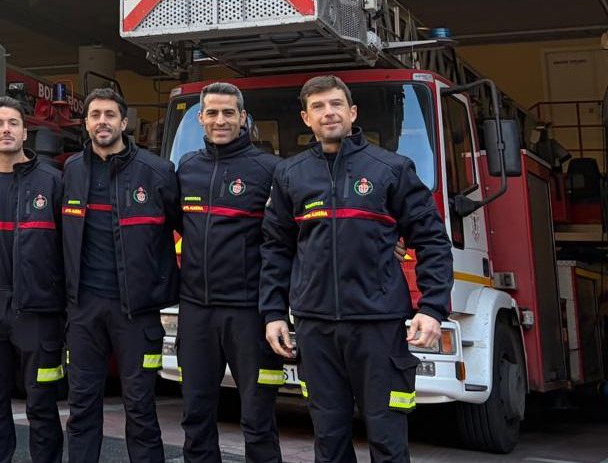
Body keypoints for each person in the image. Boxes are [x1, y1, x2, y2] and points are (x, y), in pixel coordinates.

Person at [262, 75, 453, 463]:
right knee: (328, 439)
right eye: (318, 107)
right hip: (315, 327)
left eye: (336, 104)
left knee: (387, 437)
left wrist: (432, 308)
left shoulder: (391, 169)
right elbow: (276, 249)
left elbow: (432, 240)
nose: (328, 113)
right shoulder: (290, 174)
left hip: (378, 325)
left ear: (352, 112)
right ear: (306, 118)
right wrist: (273, 313)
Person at [62, 87, 180, 463]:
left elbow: (187, 233)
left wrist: (164, 284)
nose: (102, 122)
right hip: (84, 311)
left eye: (110, 115)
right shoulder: (71, 171)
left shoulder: (157, 172)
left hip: (137, 314)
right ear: (85, 124)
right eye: (95, 115)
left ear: (124, 122)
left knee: (141, 409)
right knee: (81, 407)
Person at [175, 82, 284, 463]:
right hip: (196, 311)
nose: (220, 120)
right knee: (196, 415)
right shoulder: (187, 168)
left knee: (257, 418)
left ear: (243, 118)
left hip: (248, 313)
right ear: (201, 118)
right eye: (212, 113)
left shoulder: (270, 170)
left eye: (228, 113)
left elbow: (293, 233)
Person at [0, 97, 64, 463]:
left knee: (41, 402)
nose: (6, 129)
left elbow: (67, 247)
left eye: (13, 123)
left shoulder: (52, 181)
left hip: (39, 309)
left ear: (24, 132)